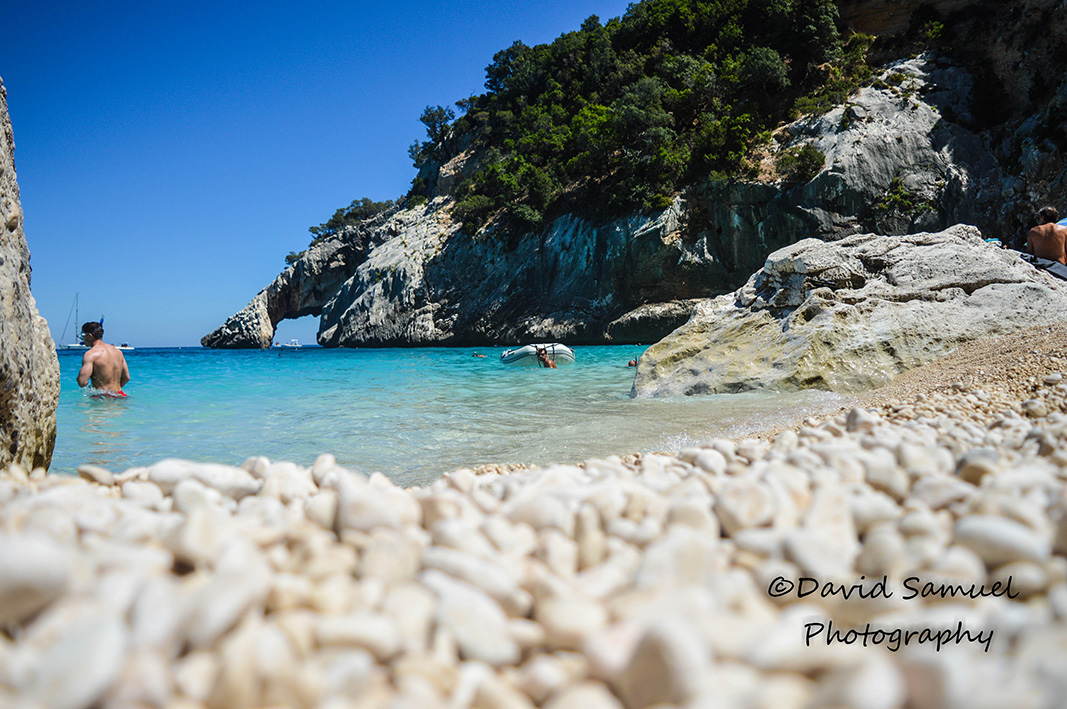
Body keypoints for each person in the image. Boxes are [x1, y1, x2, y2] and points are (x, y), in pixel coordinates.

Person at [77, 321, 131, 397]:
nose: (83, 339)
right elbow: (126, 377)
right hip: (120, 395)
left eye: (83, 336)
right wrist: (114, 393)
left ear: (90, 336)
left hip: (103, 397)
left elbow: (82, 382)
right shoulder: (118, 352)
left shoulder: (91, 354)